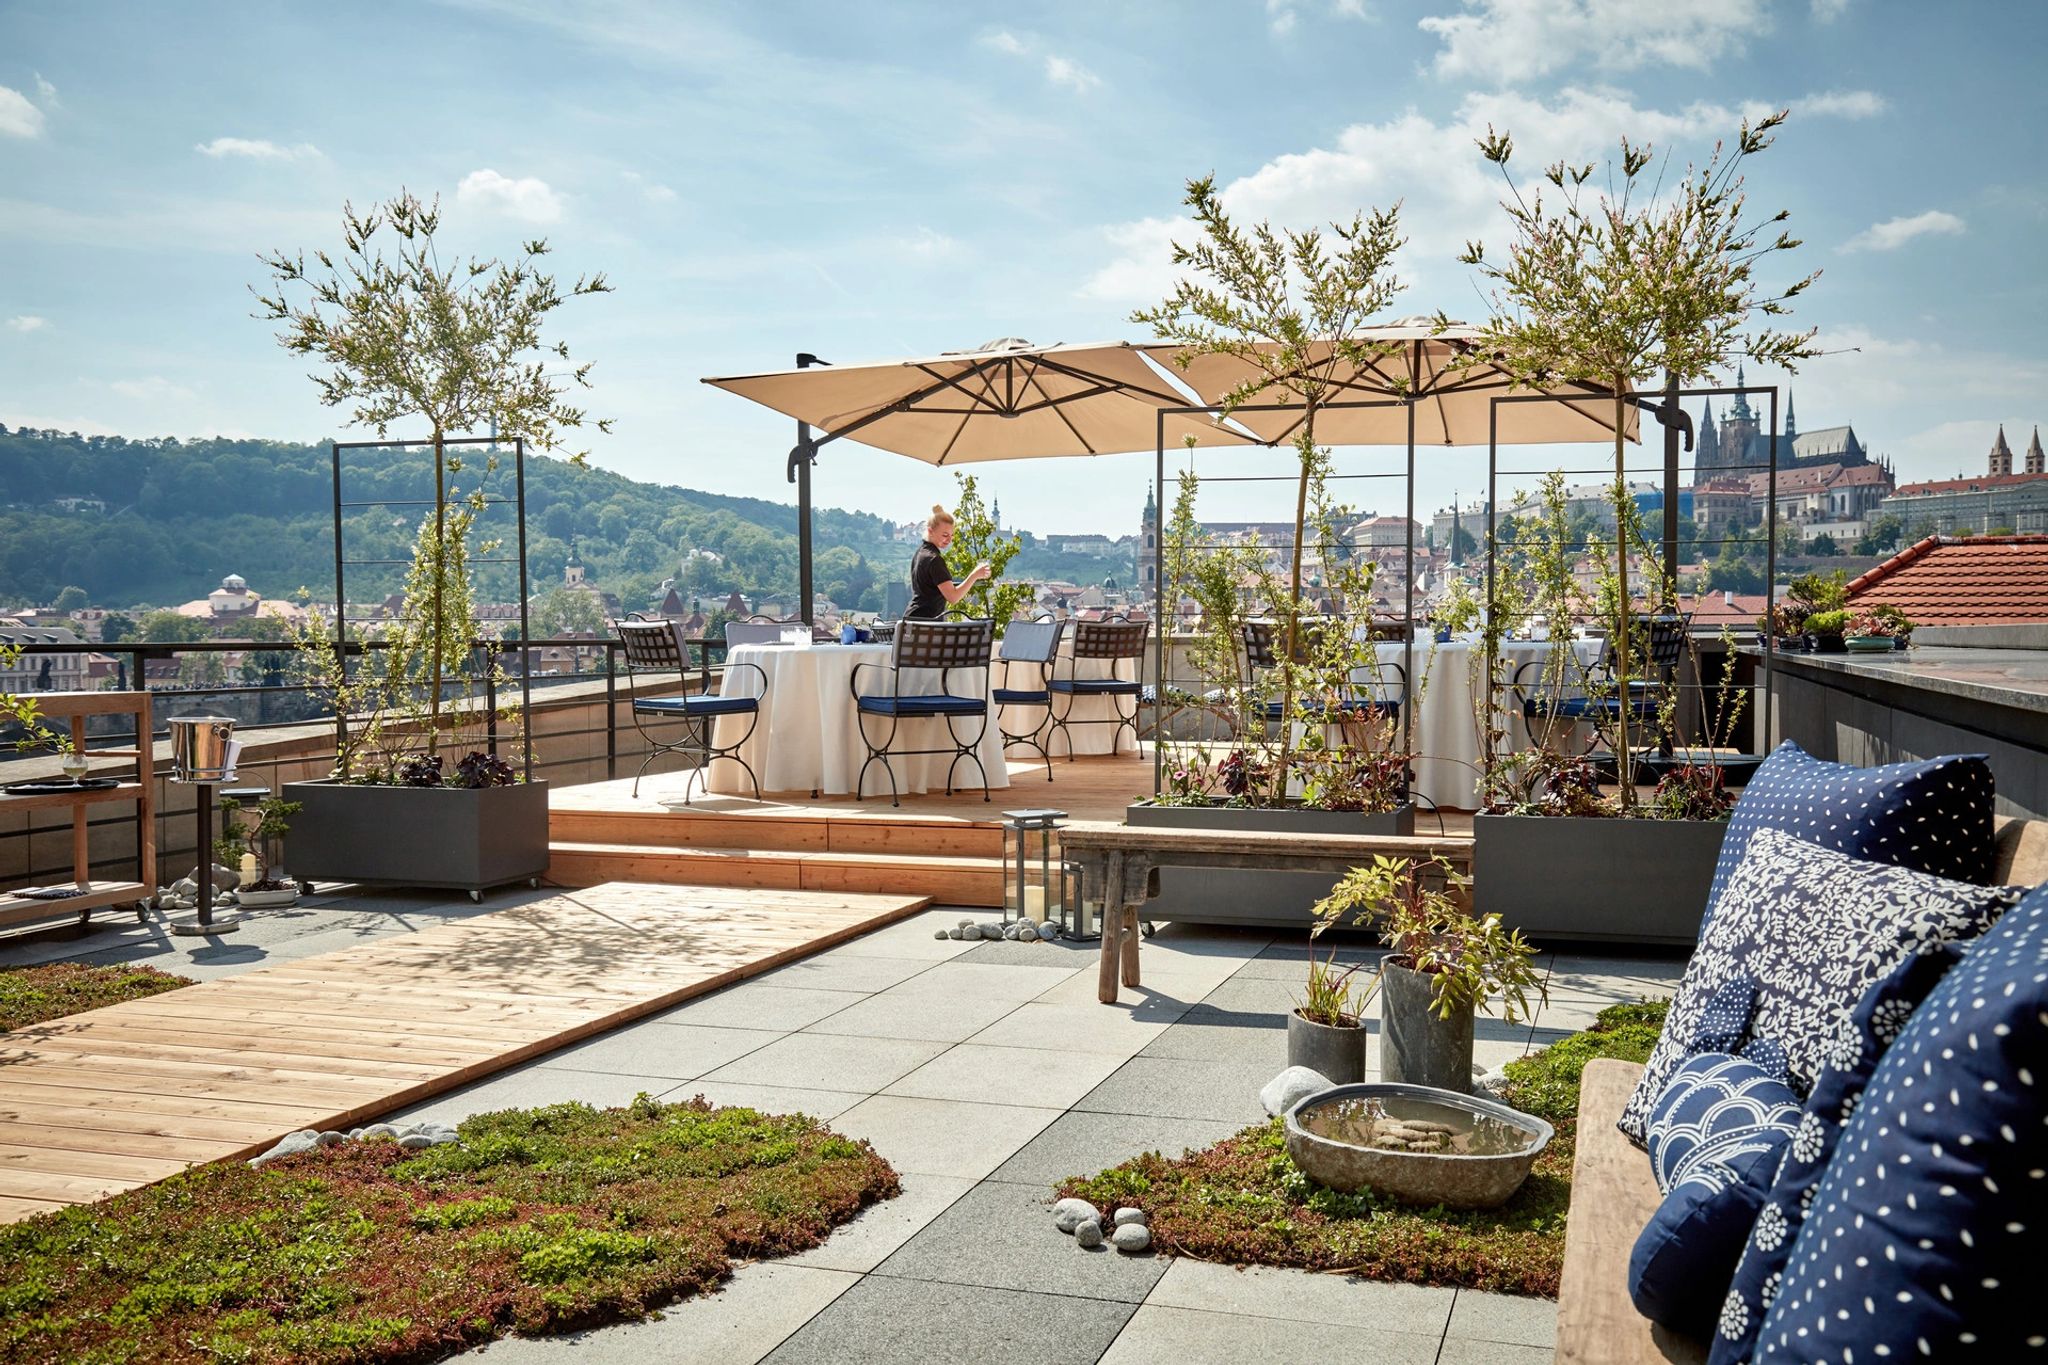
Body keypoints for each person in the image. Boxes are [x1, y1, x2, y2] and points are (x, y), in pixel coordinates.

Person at [907, 504, 989, 620]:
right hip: (925, 625)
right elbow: (953, 597)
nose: (949, 540)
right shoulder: (934, 559)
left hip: (913, 622)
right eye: (945, 535)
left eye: (951, 535)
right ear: (931, 531)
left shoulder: (920, 553)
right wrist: (975, 575)